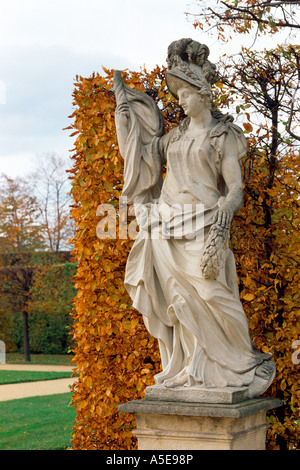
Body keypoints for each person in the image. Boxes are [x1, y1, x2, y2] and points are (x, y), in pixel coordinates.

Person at [114, 38, 275, 397]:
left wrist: (225, 211)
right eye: (178, 94)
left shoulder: (223, 136)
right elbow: (140, 160)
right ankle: (189, 370)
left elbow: (234, 187)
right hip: (166, 225)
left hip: (204, 222)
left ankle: (239, 363)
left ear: (203, 94)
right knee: (177, 301)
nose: (180, 100)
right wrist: (125, 119)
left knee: (211, 292)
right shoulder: (172, 138)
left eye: (185, 93)